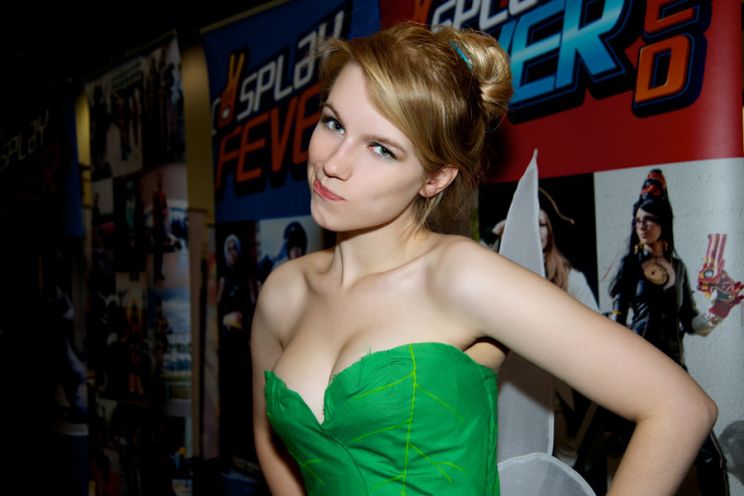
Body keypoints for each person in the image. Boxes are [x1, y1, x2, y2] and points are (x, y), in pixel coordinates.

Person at [251, 22, 717, 495]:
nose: (333, 163)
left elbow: (679, 407)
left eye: (381, 149)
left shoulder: (463, 278)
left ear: (435, 178)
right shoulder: (284, 292)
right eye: (334, 123)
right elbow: (268, 439)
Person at [608, 169, 740, 495]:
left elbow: (693, 323)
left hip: (675, 369)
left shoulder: (678, 268)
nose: (642, 225)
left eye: (649, 219)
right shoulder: (629, 265)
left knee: (710, 457)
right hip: (642, 370)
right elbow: (616, 324)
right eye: (639, 220)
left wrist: (722, 307)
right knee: (640, 461)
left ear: (663, 223)